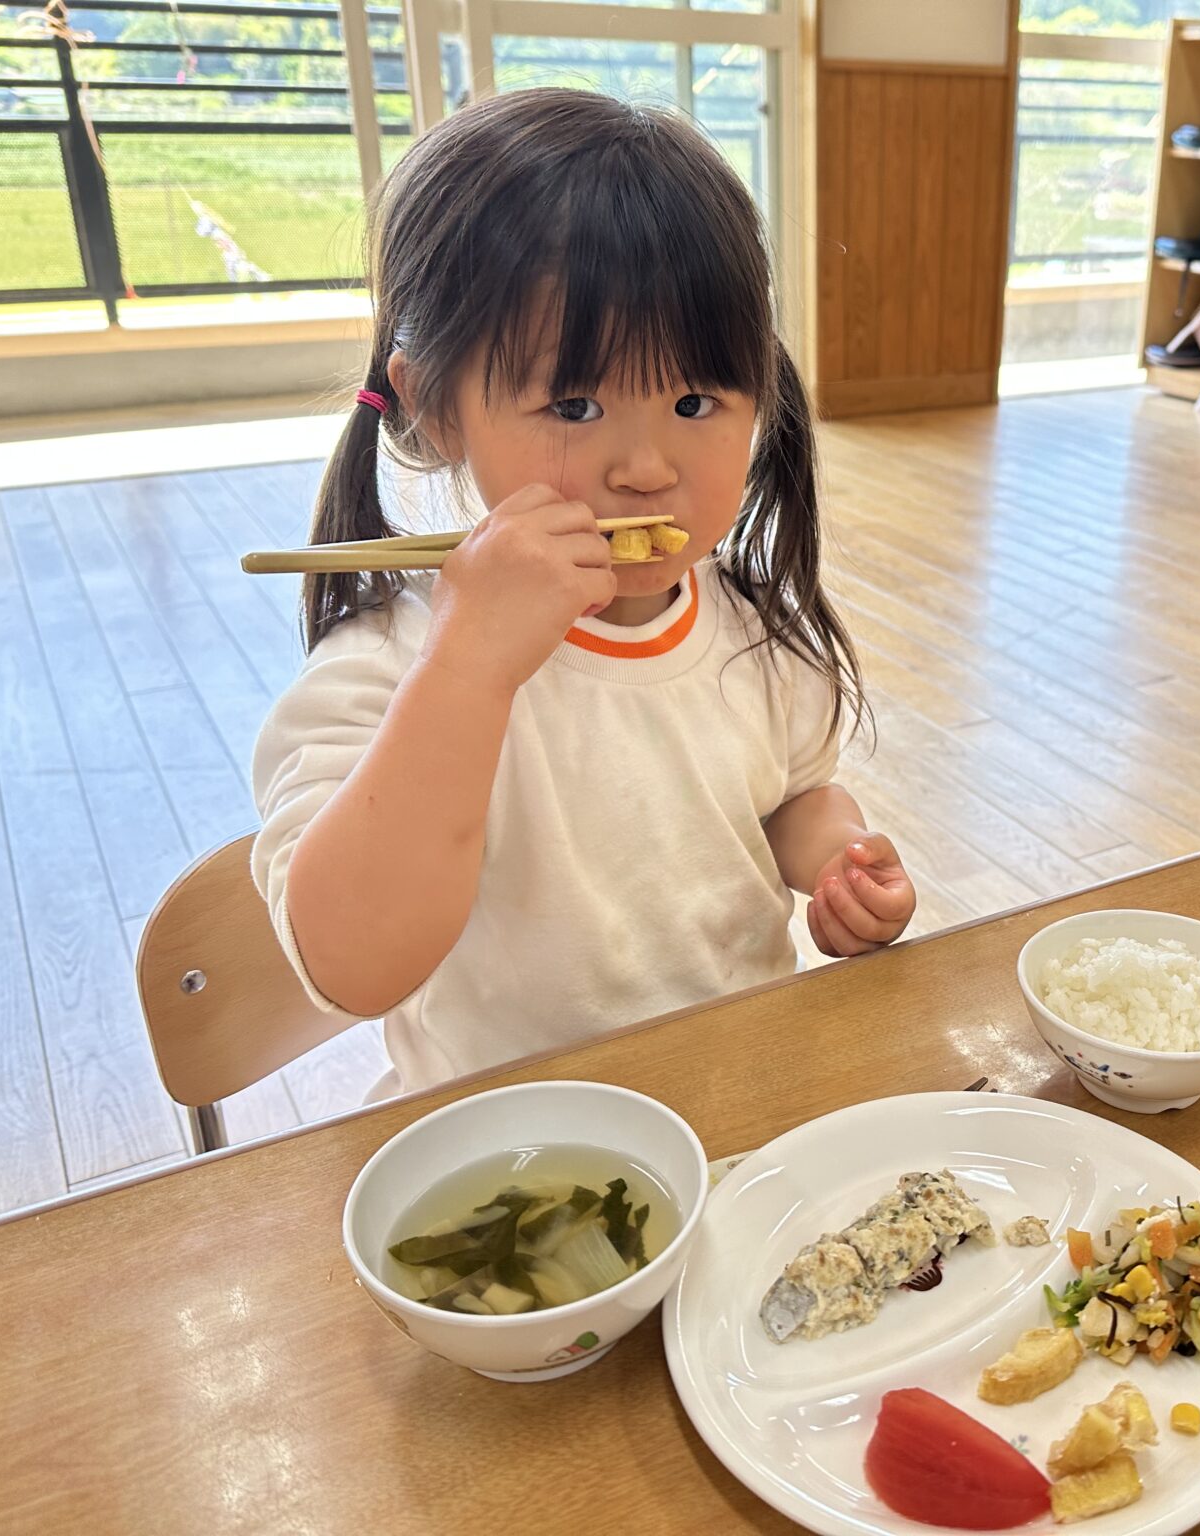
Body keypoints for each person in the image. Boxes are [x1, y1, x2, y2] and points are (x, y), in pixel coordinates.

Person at [251, 89, 915, 1098]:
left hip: (736, 1113)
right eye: (574, 403)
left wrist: (832, 859)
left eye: (695, 401)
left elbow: (785, 792)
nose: (645, 467)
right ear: (434, 408)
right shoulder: (391, 667)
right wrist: (468, 668)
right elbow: (352, 964)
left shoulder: (748, 634)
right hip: (507, 1156)